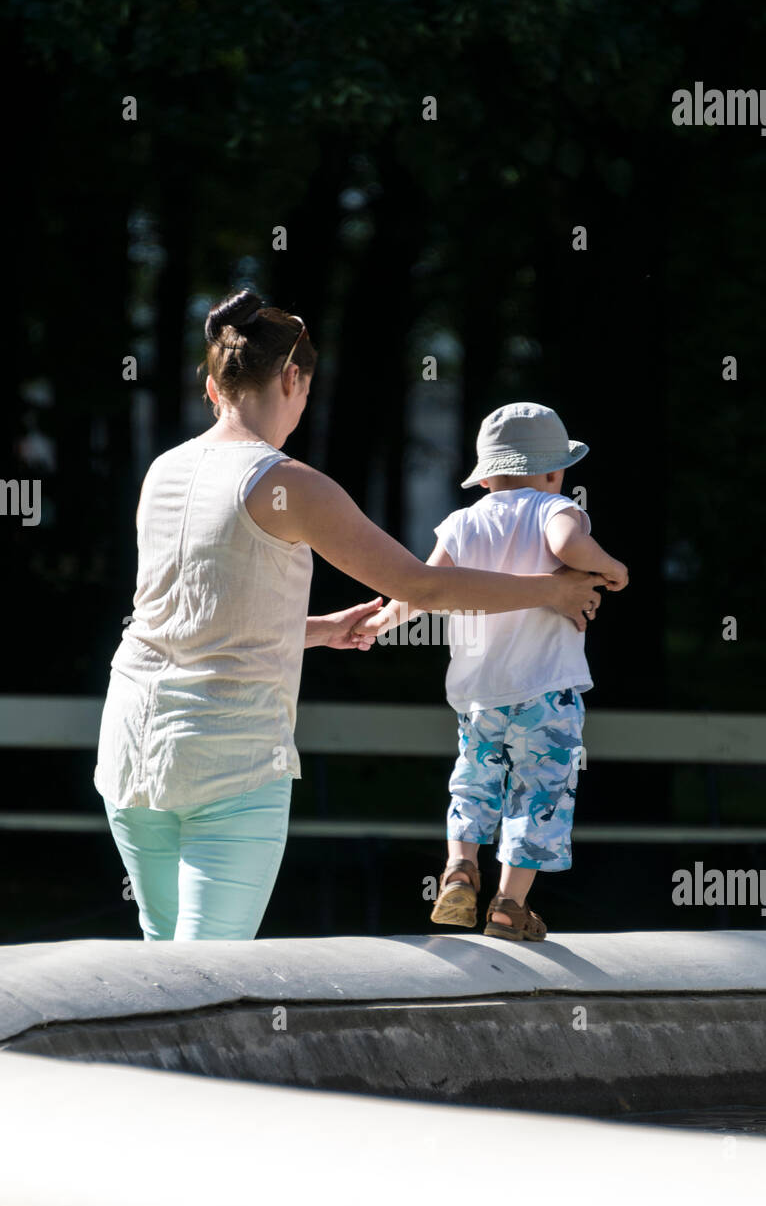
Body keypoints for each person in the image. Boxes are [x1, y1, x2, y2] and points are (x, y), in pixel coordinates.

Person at [94, 297, 606, 941]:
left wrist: (321, 629)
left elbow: (178, 621)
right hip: (227, 758)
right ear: (291, 379)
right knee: (211, 975)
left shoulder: (163, 470)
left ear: (210, 386)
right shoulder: (289, 483)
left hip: (130, 751)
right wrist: (549, 594)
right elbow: (421, 584)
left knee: (160, 962)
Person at [352, 401, 628, 942]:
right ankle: (508, 905)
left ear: (486, 477)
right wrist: (611, 566)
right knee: (538, 794)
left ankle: (459, 867)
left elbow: (421, 590)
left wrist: (382, 622)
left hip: (479, 695)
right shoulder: (556, 509)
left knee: (475, 785)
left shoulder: (461, 523)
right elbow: (569, 546)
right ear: (553, 471)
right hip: (546, 689)